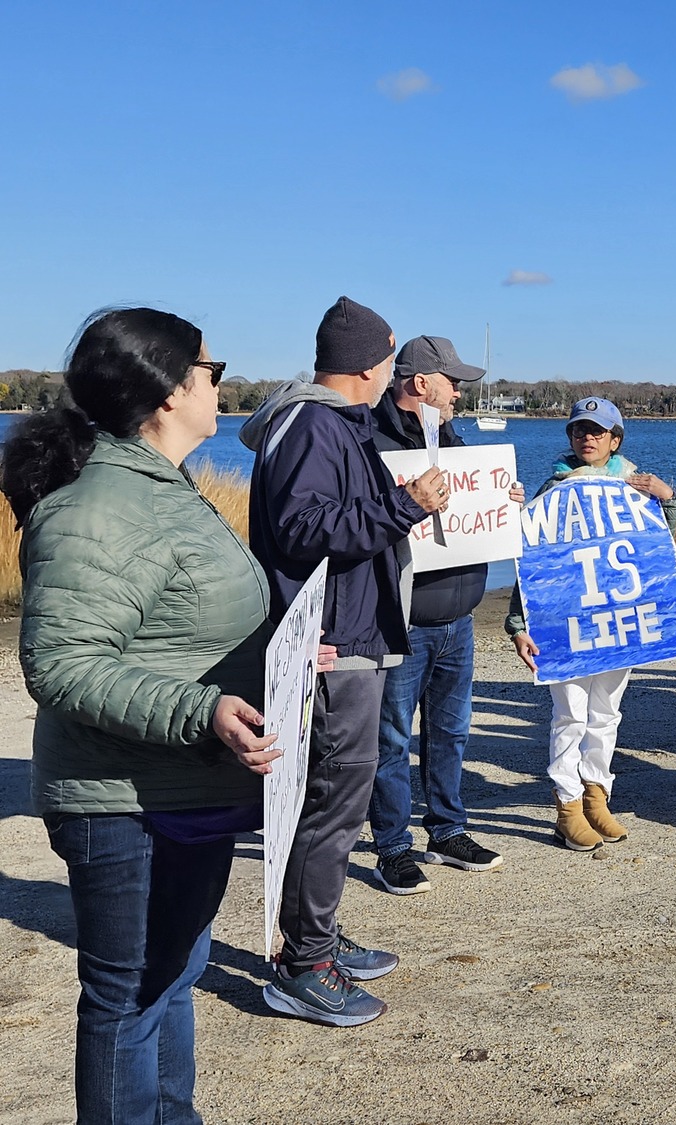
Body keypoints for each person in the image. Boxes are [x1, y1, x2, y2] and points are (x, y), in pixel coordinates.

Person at [3, 308, 280, 1122]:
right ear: (167, 391)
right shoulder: (102, 505)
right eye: (211, 368)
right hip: (122, 799)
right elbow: (59, 663)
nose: (220, 382)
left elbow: (176, 621)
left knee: (171, 977)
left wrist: (284, 659)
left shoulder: (162, 483)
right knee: (128, 995)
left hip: (179, 787)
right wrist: (204, 709)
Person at [242, 296, 448, 1026]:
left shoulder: (330, 424)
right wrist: (403, 508)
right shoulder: (314, 425)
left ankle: (314, 935)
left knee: (332, 801)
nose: (394, 370)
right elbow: (303, 529)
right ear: (369, 363)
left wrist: (394, 501)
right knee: (333, 802)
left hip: (345, 637)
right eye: (389, 358)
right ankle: (304, 964)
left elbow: (326, 516)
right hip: (331, 648)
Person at [368, 335, 520, 894]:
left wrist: (506, 501)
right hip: (402, 621)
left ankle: (448, 831)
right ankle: (392, 846)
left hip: (459, 617)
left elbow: (474, 511)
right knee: (390, 740)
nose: (459, 392)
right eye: (452, 381)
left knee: (451, 733)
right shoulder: (372, 442)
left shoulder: (454, 440)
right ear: (420, 383)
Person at [505, 398, 676, 852]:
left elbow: (658, 547)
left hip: (618, 623)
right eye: (579, 430)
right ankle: (567, 807)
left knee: (606, 715)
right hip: (565, 627)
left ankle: (597, 795)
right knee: (570, 716)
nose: (587, 438)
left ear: (615, 440)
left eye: (597, 431)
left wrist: (669, 500)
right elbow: (534, 562)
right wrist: (518, 623)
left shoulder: (635, 484)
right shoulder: (554, 488)